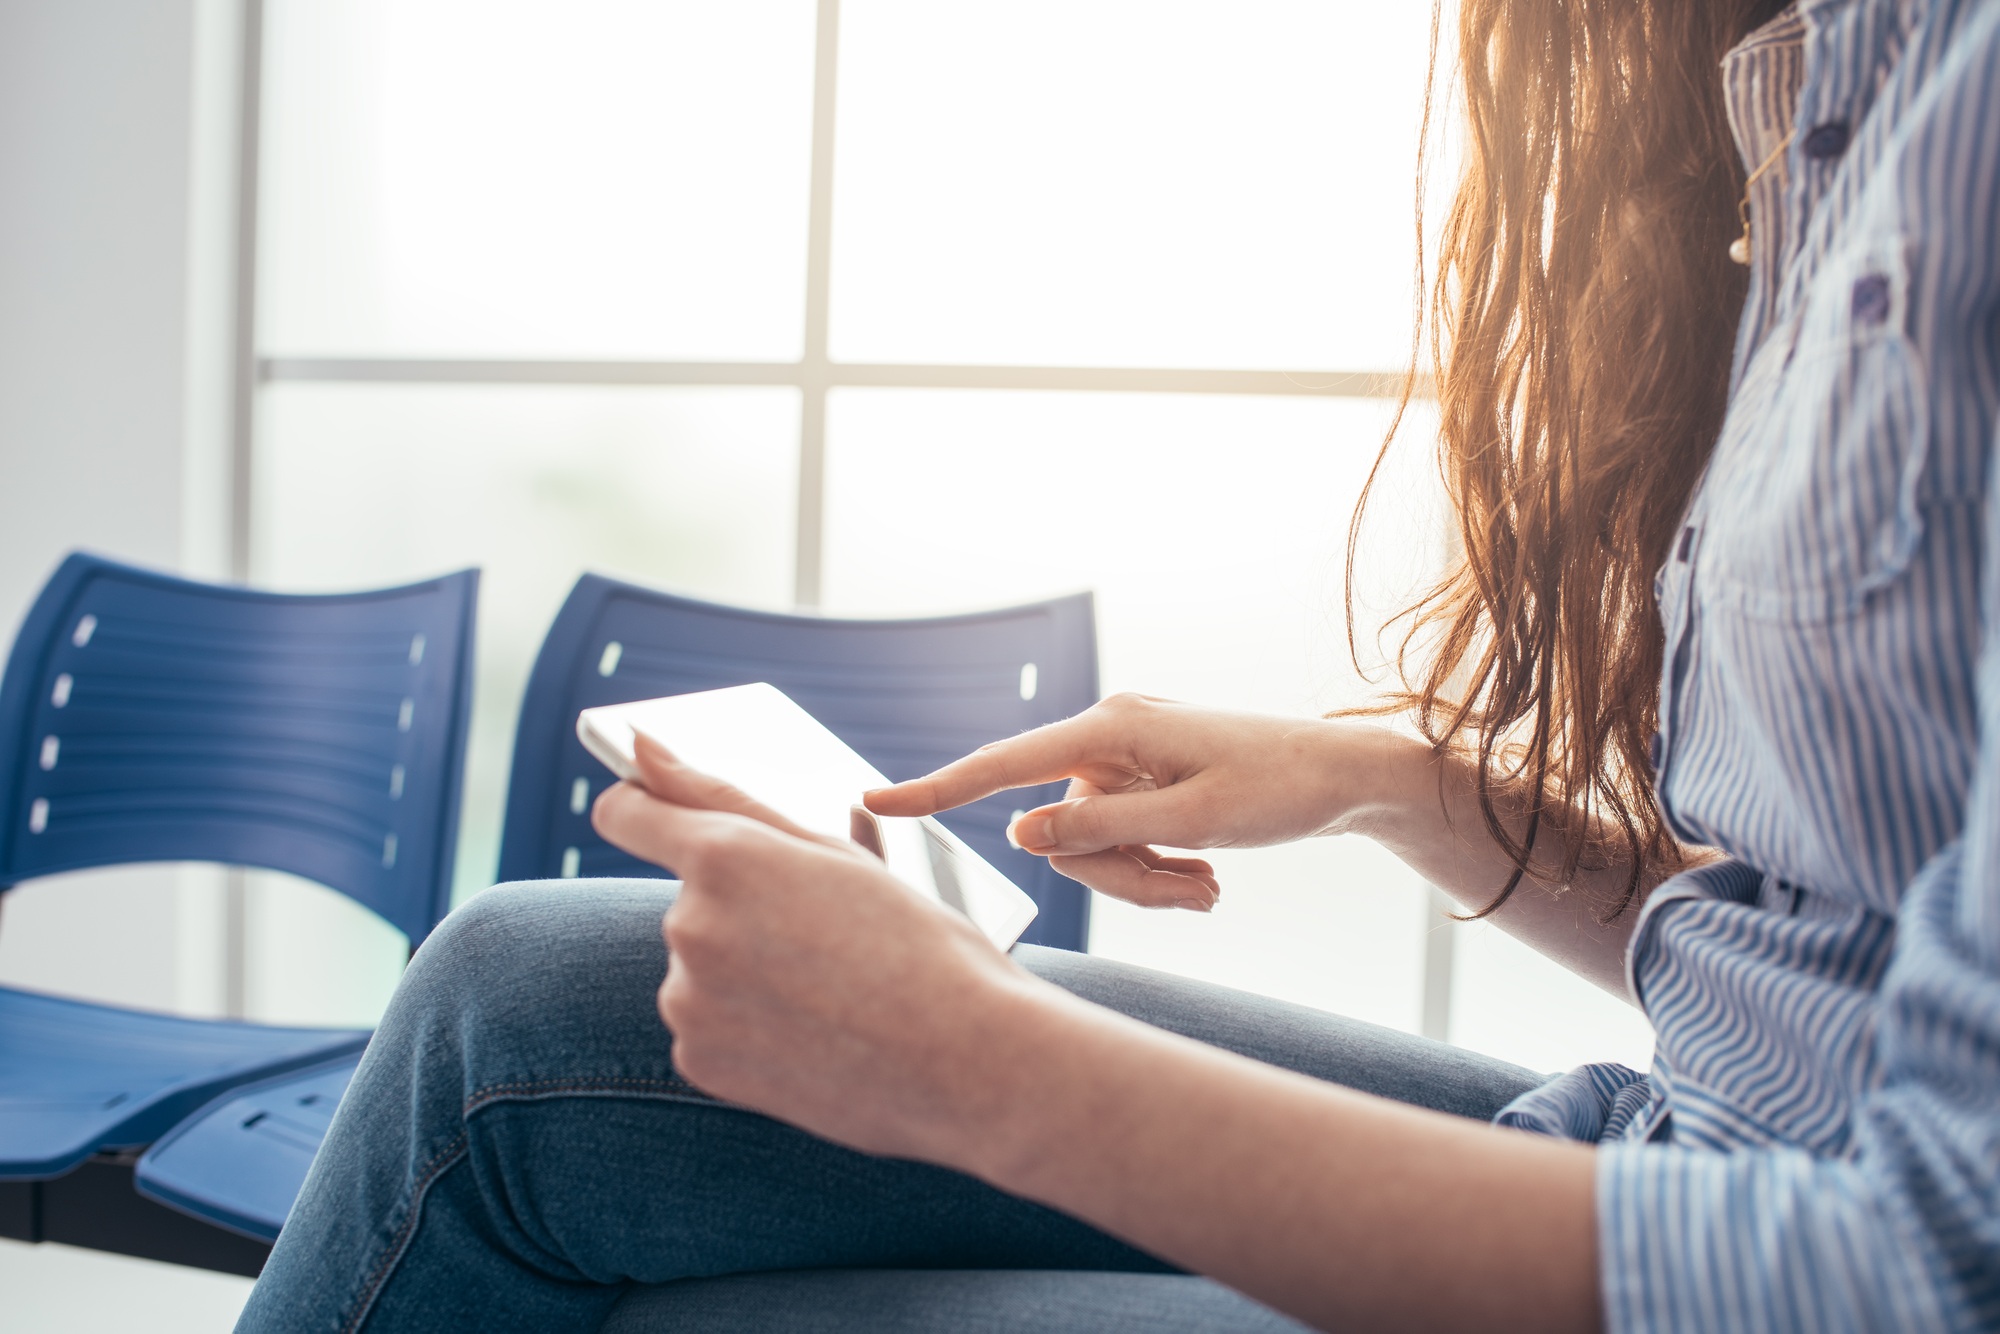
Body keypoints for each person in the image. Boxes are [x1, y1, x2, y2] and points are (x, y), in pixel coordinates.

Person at [237, 1, 2000, 1330]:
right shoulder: (1826, 105)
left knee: (593, 1184)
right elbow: (1825, 941)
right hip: (1669, 1139)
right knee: (510, 999)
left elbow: (1926, 1266)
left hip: (1767, 1250)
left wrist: (971, 1060)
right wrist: (1390, 782)